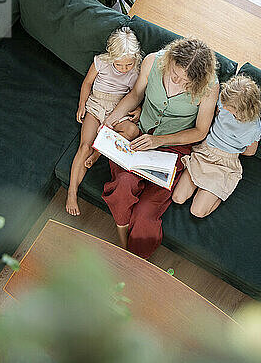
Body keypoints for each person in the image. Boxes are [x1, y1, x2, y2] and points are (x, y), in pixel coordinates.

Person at [102, 38, 220, 257]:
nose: (178, 82)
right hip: (138, 138)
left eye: (186, 82)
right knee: (123, 185)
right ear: (170, 60)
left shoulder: (210, 87)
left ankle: (135, 259)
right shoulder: (153, 61)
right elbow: (136, 95)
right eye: (175, 75)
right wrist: (111, 120)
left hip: (173, 149)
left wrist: (159, 141)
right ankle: (123, 245)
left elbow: (200, 132)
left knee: (146, 212)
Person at [66, 27, 143, 216]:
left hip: (119, 108)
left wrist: (139, 109)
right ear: (111, 56)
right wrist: (82, 104)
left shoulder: (137, 71)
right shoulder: (101, 62)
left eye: (129, 64)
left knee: (132, 131)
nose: (125, 68)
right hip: (96, 105)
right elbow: (87, 83)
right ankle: (71, 192)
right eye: (120, 65)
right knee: (84, 146)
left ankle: (98, 152)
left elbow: (138, 95)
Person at [172, 75, 261, 217]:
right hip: (205, 151)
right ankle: (205, 187)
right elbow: (216, 114)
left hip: (225, 164)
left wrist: (230, 147)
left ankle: (219, 192)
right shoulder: (224, 100)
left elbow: (250, 151)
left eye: (230, 109)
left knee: (197, 211)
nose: (224, 107)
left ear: (243, 111)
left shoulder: (253, 128)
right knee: (177, 198)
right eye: (224, 103)